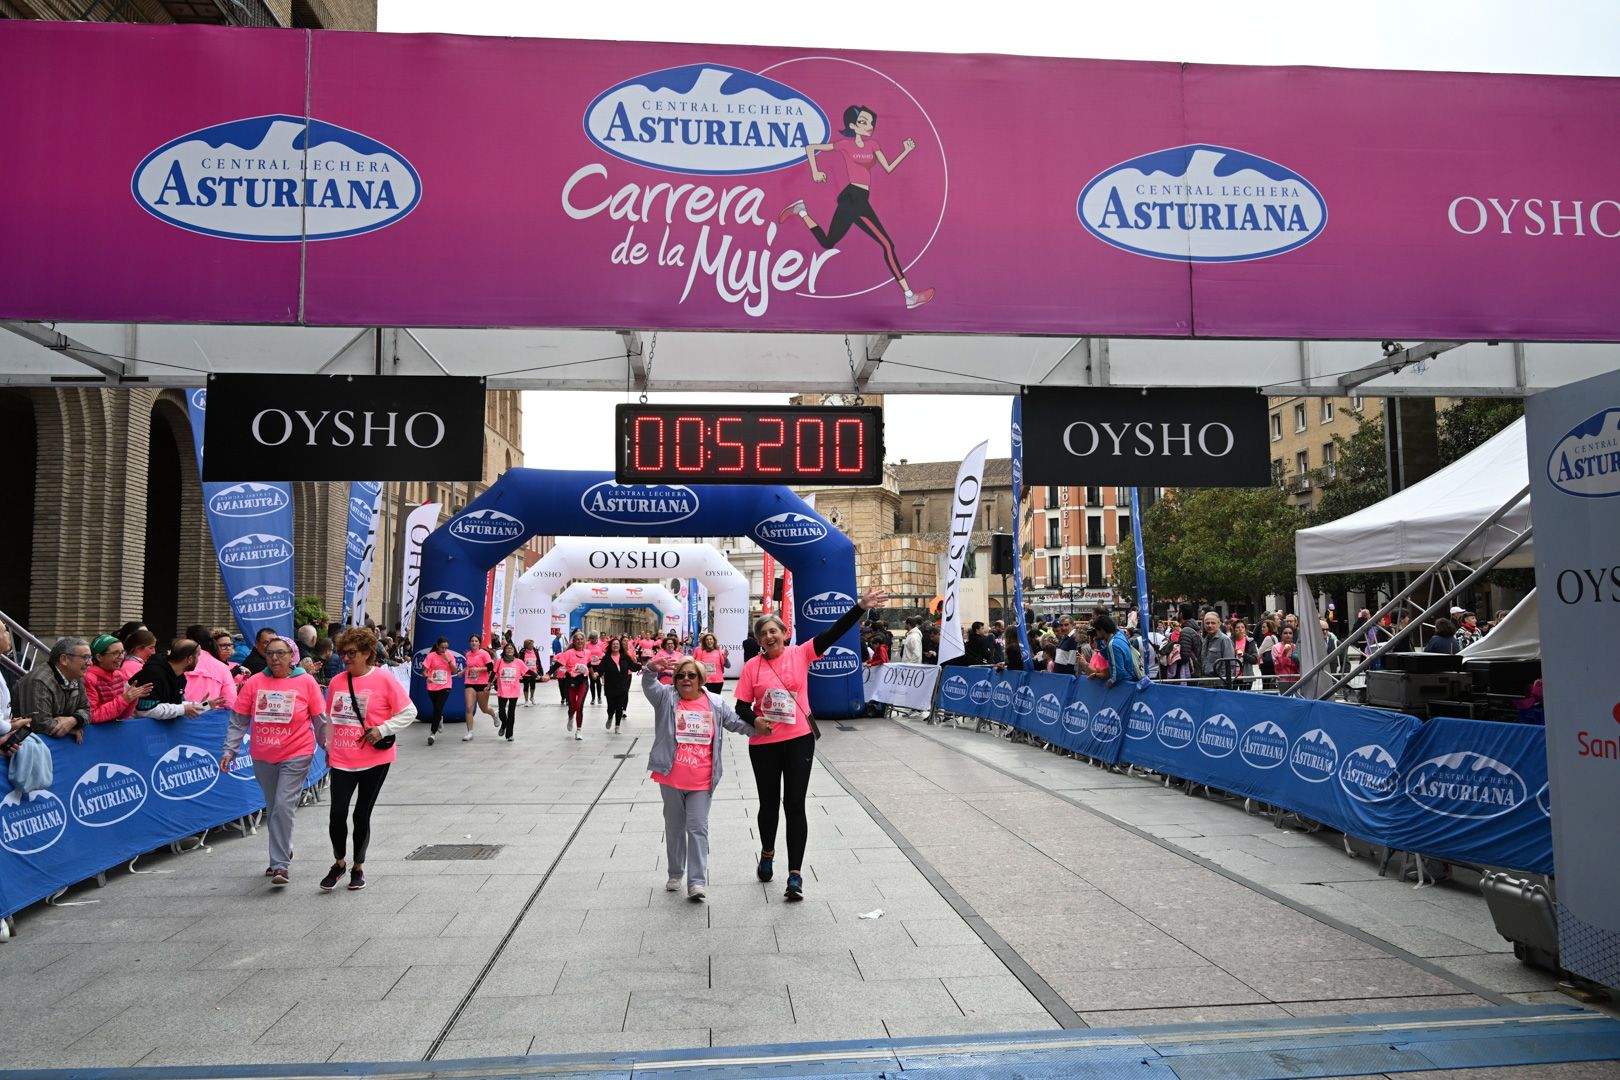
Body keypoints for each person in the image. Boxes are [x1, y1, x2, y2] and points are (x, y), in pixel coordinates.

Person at [734, 586, 888, 902]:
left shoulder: (801, 653)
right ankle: (767, 851)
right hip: (764, 743)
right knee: (768, 803)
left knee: (794, 803)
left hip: (799, 740)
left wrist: (860, 607)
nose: (769, 636)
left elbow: (834, 633)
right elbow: (740, 707)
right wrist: (755, 721)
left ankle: (795, 875)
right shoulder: (752, 667)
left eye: (774, 630)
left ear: (785, 633)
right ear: (759, 639)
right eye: (763, 633)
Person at [779, 105, 934, 310]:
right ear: (853, 125)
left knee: (827, 242)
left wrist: (905, 151)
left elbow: (888, 168)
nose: (868, 125)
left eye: (870, 122)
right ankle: (909, 296)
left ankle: (802, 211)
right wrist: (815, 171)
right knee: (887, 245)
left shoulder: (873, 145)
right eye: (862, 121)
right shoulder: (844, 145)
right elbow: (811, 148)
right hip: (853, 198)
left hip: (859, 199)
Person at [642, 654, 760, 901]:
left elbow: (736, 723)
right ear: (675, 680)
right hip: (670, 777)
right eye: (681, 675)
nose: (686, 679)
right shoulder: (666, 698)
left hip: (701, 780)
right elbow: (649, 685)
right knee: (674, 828)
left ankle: (696, 882)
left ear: (701, 679)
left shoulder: (715, 703)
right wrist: (651, 669)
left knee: (697, 828)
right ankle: (675, 873)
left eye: (691, 675)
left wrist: (760, 730)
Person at [223, 637, 325, 887]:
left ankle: (279, 864)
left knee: (282, 805)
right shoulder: (255, 682)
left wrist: (329, 748)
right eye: (269, 653)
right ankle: (284, 848)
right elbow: (239, 719)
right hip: (263, 755)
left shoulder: (306, 681)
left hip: (297, 753)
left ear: (293, 656)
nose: (275, 658)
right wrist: (230, 750)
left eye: (281, 653)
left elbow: (320, 720)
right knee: (273, 806)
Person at [321, 627, 416, 893]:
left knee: (361, 813)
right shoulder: (338, 681)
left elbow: (409, 712)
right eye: (342, 653)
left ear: (367, 653)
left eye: (351, 653)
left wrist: (382, 729)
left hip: (374, 759)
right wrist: (328, 746)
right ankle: (339, 862)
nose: (345, 658)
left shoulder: (383, 680)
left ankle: (358, 867)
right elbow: (331, 718)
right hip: (341, 757)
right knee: (337, 813)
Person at [15, 637, 92, 742]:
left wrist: (72, 720)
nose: (90, 663)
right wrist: (68, 729)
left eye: (90, 657)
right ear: (64, 659)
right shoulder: (38, 681)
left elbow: (87, 710)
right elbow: (39, 724)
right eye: (85, 657)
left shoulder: (75, 677)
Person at [135, 639, 214, 719]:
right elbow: (144, 711)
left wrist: (203, 706)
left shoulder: (180, 677)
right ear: (189, 659)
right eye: (198, 656)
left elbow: (176, 705)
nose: (198, 660)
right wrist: (183, 709)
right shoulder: (153, 674)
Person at [84, 634, 148, 724]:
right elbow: (92, 716)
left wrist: (132, 698)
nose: (121, 657)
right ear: (99, 657)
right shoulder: (89, 679)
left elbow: (122, 716)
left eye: (122, 652)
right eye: (115, 653)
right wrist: (124, 699)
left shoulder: (118, 675)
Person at [421, 637, 461, 746]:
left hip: (445, 686)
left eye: (446, 647)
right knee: (436, 708)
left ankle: (432, 734)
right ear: (437, 646)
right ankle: (440, 718)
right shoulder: (431, 656)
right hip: (432, 686)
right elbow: (423, 671)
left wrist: (448, 660)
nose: (444, 650)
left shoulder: (449, 655)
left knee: (438, 708)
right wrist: (427, 677)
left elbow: (455, 671)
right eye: (442, 647)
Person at [185, 623, 238, 704]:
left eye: (230, 645)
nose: (228, 648)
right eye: (223, 645)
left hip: (180, 712)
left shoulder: (180, 661)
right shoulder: (222, 667)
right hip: (211, 713)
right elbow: (230, 701)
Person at [554, 630, 592, 740]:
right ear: (574, 641)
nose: (580, 641)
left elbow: (589, 664)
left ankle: (579, 730)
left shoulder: (588, 652)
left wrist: (594, 674)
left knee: (579, 705)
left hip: (583, 682)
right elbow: (557, 664)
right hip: (570, 682)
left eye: (581, 639)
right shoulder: (568, 653)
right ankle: (570, 716)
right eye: (577, 639)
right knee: (572, 706)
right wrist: (547, 674)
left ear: (584, 641)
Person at [599, 636, 638, 733]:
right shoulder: (606, 658)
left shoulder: (625, 657)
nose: (615, 645)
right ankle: (610, 716)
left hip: (622, 686)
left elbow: (633, 667)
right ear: (611, 646)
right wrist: (596, 674)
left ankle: (617, 726)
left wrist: (644, 667)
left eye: (617, 644)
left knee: (619, 706)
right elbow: (600, 669)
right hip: (610, 687)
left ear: (620, 646)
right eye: (613, 644)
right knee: (611, 707)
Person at [461, 634, 495, 742]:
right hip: (469, 682)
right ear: (470, 642)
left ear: (479, 643)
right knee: (469, 707)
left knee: (484, 708)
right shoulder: (468, 654)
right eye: (472, 641)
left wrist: (479, 669)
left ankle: (494, 714)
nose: (474, 643)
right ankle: (470, 732)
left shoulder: (484, 654)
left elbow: (491, 668)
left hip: (482, 683)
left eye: (476, 641)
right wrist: (462, 672)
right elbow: (468, 667)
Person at [492, 642, 527, 741]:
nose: (510, 650)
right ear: (504, 650)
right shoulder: (499, 661)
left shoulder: (519, 662)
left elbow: (527, 671)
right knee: (502, 711)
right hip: (502, 689)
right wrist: (489, 684)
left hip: (514, 690)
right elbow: (493, 673)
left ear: (514, 651)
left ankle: (509, 734)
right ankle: (504, 724)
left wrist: (538, 676)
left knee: (511, 712)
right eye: (508, 648)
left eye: (511, 648)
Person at [1200, 611, 1236, 682]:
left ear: (1219, 624)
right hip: (1205, 681)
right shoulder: (1205, 640)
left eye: (1213, 623)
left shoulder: (1225, 640)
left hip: (1218, 683)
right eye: (1207, 623)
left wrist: (1223, 682)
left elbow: (1230, 665)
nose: (1210, 625)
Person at [519, 638, 541, 706]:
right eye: (530, 644)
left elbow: (538, 661)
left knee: (533, 686)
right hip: (525, 672)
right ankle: (526, 700)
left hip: (534, 672)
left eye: (532, 644)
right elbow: (520, 662)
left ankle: (532, 697)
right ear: (526, 645)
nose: (532, 645)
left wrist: (540, 671)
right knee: (526, 686)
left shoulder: (535, 651)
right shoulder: (522, 652)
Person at [586, 632, 606, 705]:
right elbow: (585, 653)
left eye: (593, 639)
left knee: (598, 681)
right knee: (592, 682)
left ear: (596, 638)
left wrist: (602, 658)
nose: (592, 640)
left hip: (598, 665)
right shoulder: (587, 644)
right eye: (591, 639)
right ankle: (593, 698)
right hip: (590, 665)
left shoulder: (601, 644)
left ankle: (599, 697)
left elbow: (605, 653)